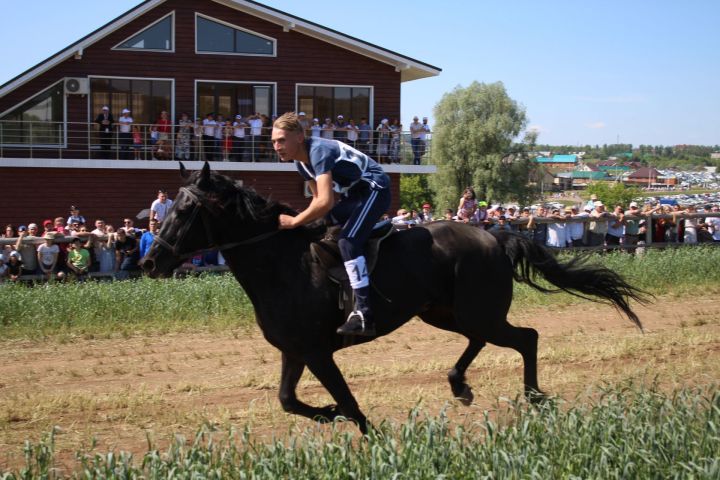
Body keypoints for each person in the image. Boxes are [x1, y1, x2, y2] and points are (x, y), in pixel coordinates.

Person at [271, 112, 391, 337]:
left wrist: (295, 221)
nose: (277, 146)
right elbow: (319, 202)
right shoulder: (301, 164)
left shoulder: (318, 151)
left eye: (282, 140)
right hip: (354, 195)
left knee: (347, 241)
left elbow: (326, 201)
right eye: (274, 142)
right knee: (320, 225)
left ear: (299, 137)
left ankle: (364, 313)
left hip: (375, 189)